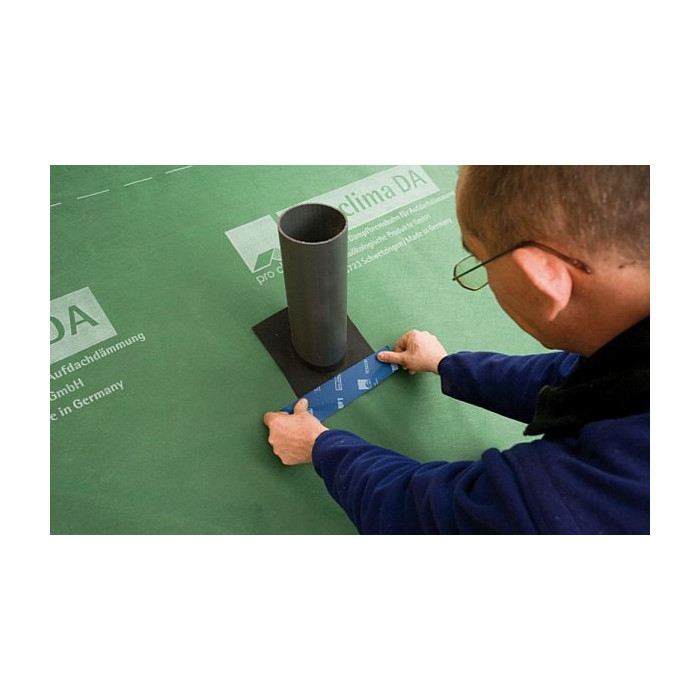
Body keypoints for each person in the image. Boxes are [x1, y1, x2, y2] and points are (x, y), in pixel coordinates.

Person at [263, 166, 650, 534]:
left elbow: (432, 520)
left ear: (543, 279)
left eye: (480, 261)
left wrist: (320, 447)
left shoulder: (587, 496)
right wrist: (447, 365)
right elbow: (582, 383)